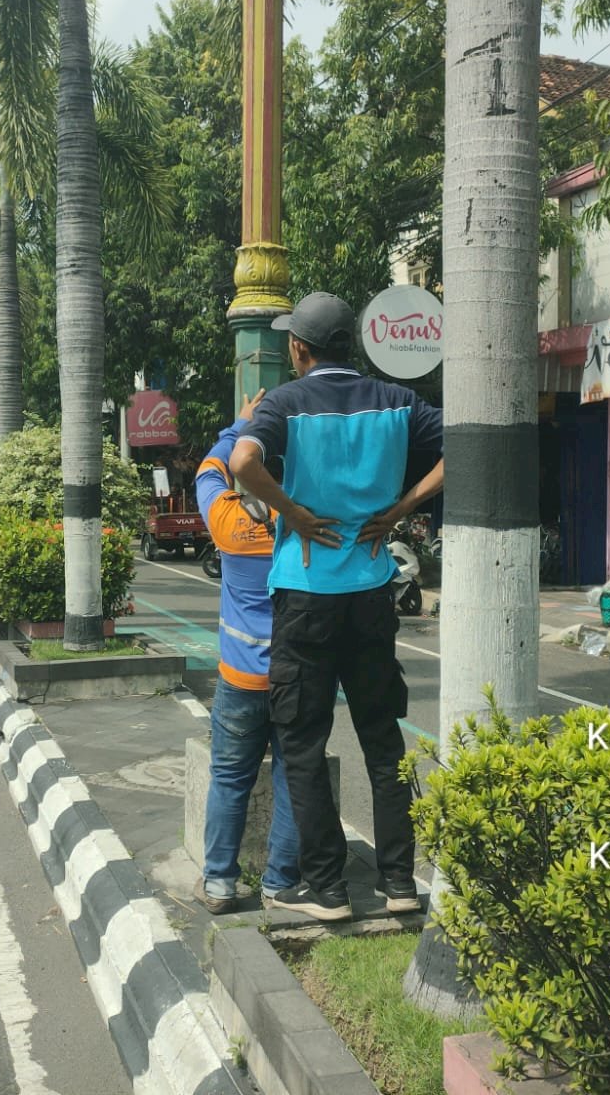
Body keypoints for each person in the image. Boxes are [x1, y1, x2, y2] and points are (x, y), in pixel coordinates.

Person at [228, 291, 443, 922]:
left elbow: (243, 461)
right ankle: (400, 883)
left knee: (302, 742)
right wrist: (400, 511)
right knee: (383, 742)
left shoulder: (287, 404)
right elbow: (462, 446)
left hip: (305, 595)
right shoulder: (398, 403)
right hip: (372, 592)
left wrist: (292, 512)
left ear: (299, 347)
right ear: (352, 343)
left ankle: (327, 891)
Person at [191, 389, 301, 914]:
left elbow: (207, 472)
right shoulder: (302, 526)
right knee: (291, 779)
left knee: (230, 780)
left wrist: (237, 428)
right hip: (295, 676)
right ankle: (280, 884)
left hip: (238, 679)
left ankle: (218, 883)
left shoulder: (230, 525)